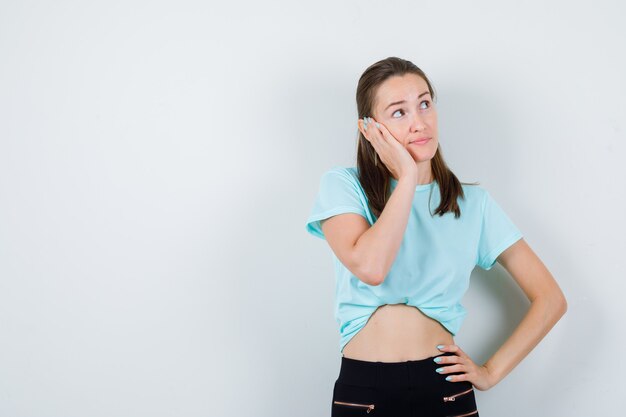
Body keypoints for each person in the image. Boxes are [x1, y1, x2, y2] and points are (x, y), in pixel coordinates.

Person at [305, 57, 567, 417]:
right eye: (398, 112)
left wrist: (490, 373)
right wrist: (408, 178)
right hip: (365, 388)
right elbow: (371, 267)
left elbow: (551, 299)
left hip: (444, 388)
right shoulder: (344, 186)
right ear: (369, 128)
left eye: (424, 104)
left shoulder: (473, 204)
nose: (419, 122)